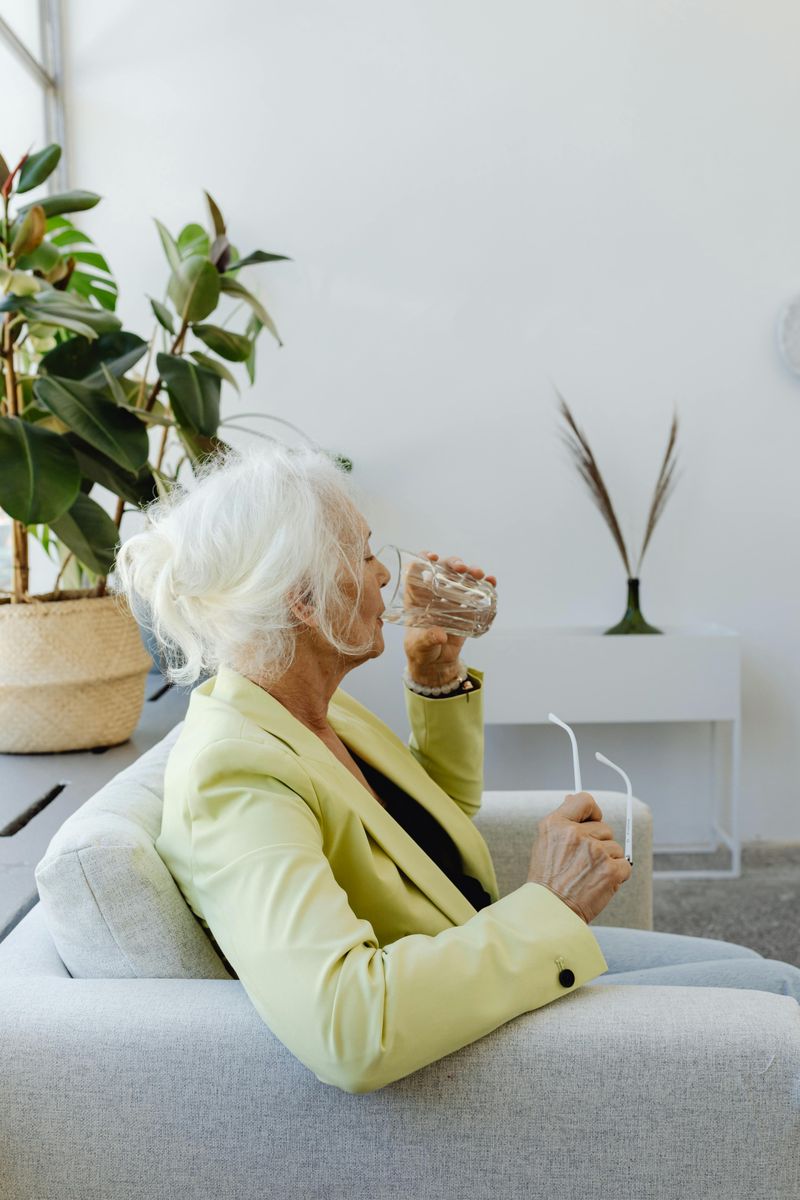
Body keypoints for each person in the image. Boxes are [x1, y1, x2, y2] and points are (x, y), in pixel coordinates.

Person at [112, 441, 800, 1094]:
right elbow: (350, 1027)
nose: (386, 572)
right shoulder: (233, 776)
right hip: (470, 1034)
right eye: (364, 553)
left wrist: (436, 675)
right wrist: (551, 906)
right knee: (779, 1000)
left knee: (753, 970)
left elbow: (425, 828)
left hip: (481, 951)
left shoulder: (311, 708)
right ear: (305, 599)